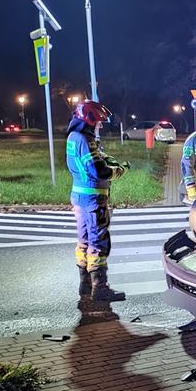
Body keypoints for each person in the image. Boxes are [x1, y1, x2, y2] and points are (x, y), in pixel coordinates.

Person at [66, 100, 130, 302]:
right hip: (94, 198)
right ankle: (100, 288)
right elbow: (99, 170)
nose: (100, 125)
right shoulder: (85, 140)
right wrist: (118, 170)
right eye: (98, 122)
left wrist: (103, 157)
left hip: (79, 196)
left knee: (84, 240)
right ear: (89, 120)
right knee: (98, 242)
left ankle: (84, 284)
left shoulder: (73, 137)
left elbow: (87, 163)